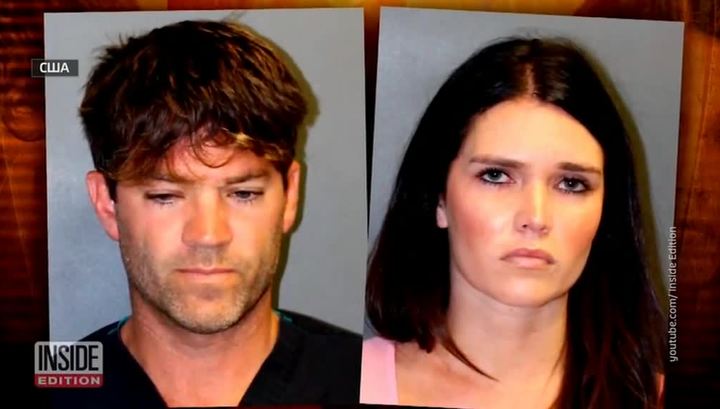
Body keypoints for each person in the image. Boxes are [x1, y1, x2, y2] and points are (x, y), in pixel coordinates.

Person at [52, 19, 360, 408]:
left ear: (290, 196)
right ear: (105, 204)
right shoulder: (56, 387)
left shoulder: (365, 378)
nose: (209, 235)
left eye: (243, 193)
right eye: (165, 196)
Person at [362, 38, 665, 409]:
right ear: (439, 198)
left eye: (571, 184)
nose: (535, 218)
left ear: (606, 210)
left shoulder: (653, 398)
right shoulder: (345, 381)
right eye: (496, 176)